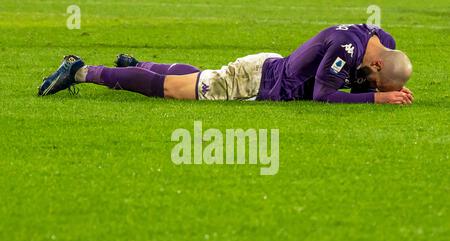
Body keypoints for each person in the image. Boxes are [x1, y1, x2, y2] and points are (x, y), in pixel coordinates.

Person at [38, 24, 413, 104]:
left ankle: (142, 63)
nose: (371, 87)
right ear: (377, 65)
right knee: (175, 91)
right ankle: (82, 71)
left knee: (201, 76)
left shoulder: (383, 44)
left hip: (269, 67)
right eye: (378, 83)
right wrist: (376, 100)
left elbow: (363, 79)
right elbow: (322, 94)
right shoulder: (347, 46)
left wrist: (388, 90)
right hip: (258, 81)